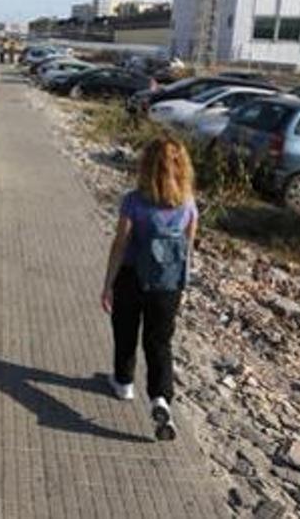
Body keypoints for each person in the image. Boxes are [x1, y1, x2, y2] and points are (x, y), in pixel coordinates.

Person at [100, 137, 198, 441]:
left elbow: (120, 243)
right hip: (168, 284)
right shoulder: (188, 204)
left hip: (132, 277)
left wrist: (108, 284)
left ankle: (124, 383)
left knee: (126, 330)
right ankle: (160, 398)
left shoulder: (134, 201)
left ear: (146, 165)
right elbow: (188, 247)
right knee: (159, 342)